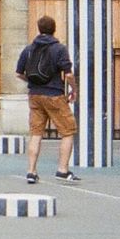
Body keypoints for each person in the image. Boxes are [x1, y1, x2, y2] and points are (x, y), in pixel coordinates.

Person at [17, 15, 80, 185]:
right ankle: (62, 170)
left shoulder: (29, 49)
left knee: (36, 133)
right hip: (54, 95)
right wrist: (74, 90)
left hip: (34, 95)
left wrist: (32, 82)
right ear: (54, 29)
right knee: (68, 131)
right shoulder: (59, 49)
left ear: (39, 29)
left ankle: (31, 172)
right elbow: (68, 74)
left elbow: (18, 73)